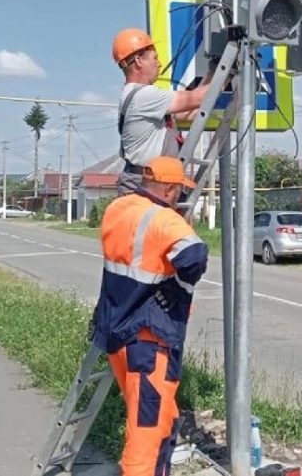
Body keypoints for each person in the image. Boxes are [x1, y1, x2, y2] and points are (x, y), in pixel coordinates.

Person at [92, 155, 209, 476]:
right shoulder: (166, 220)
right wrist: (177, 288)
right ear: (170, 189)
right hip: (148, 342)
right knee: (147, 431)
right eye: (179, 192)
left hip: (117, 332)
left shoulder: (118, 208)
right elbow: (195, 255)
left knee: (163, 417)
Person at [112, 28, 216, 195]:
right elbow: (196, 99)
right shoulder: (144, 95)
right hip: (145, 185)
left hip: (152, 182)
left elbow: (190, 112)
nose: (159, 63)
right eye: (155, 58)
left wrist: (213, 72)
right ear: (138, 61)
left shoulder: (142, 97)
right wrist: (228, 70)